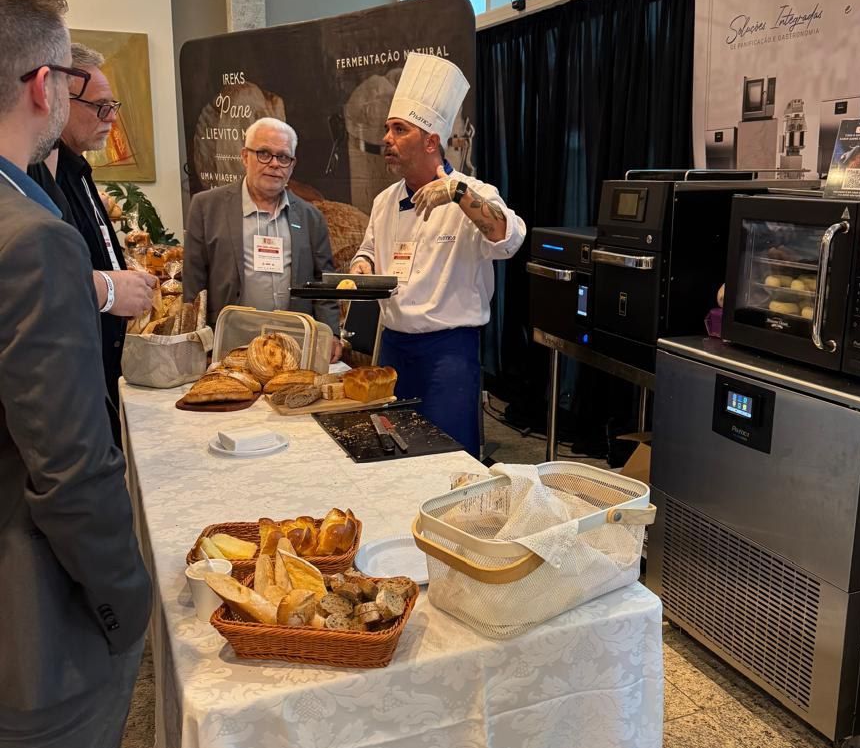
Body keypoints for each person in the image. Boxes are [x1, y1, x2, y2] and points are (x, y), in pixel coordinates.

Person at [0, 0, 152, 748]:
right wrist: (127, 596)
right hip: (28, 614)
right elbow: (64, 470)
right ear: (42, 84)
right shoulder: (31, 238)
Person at [350, 53, 525, 458]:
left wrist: (458, 194)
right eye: (387, 130)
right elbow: (370, 249)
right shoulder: (384, 201)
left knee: (447, 463)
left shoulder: (473, 193)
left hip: (448, 355)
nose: (386, 139)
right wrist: (361, 266)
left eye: (399, 129)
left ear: (431, 141)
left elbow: (509, 238)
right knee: (390, 454)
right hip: (392, 349)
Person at [27, 43, 157, 443]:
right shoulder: (36, 174)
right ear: (56, 97)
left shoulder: (76, 168)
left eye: (113, 106)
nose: (113, 119)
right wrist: (109, 289)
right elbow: (36, 281)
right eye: (101, 108)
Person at [183, 117, 342, 356]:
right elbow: (194, 280)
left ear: (292, 164)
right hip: (229, 343)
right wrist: (195, 341)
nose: (274, 164)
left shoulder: (311, 216)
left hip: (294, 345)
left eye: (283, 157)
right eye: (264, 154)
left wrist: (331, 334)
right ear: (245, 156)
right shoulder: (206, 207)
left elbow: (324, 283)